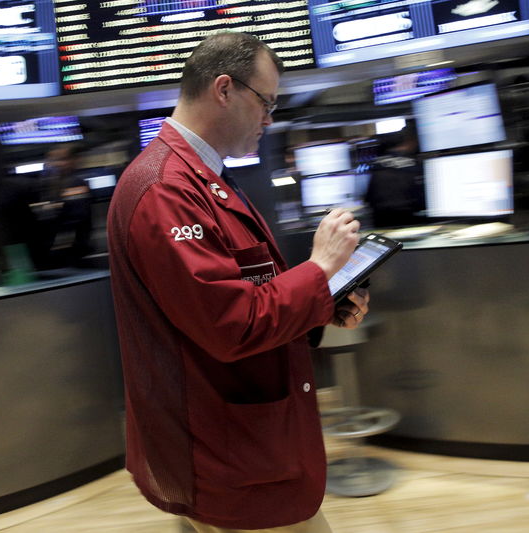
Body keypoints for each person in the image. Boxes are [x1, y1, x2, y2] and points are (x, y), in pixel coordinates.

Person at [107, 32, 369, 532]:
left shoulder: (203, 178)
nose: (270, 119)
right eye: (266, 102)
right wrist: (319, 268)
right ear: (224, 89)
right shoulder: (167, 190)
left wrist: (322, 300)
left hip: (229, 447)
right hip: (227, 456)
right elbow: (232, 324)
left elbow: (243, 293)